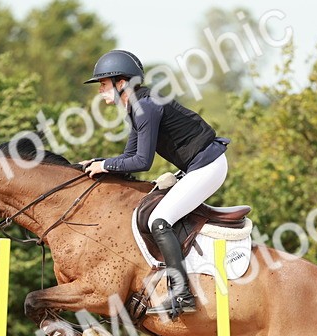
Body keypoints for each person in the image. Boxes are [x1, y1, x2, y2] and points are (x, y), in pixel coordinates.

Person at [78, 49, 231, 320]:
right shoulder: (137, 106)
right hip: (198, 166)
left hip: (208, 166)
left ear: (121, 82)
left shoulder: (145, 107)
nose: (100, 91)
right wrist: (99, 163)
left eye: (103, 84)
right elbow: (127, 157)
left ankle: (183, 294)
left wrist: (105, 166)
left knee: (159, 220)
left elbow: (141, 162)